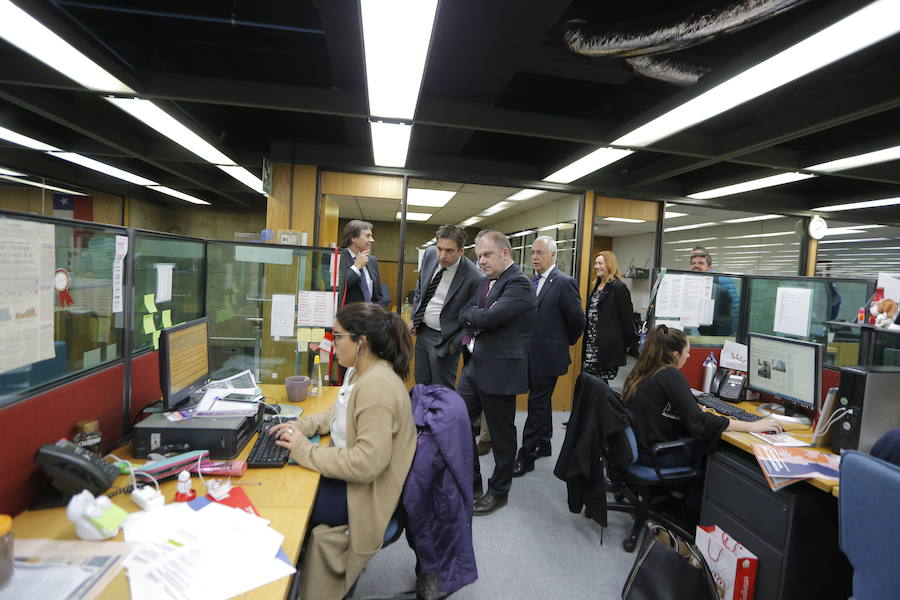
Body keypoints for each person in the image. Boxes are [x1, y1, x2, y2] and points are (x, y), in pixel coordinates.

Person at [269, 303, 415, 600]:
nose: (332, 343)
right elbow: (338, 413)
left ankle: (278, 586)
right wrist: (303, 425)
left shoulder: (377, 388)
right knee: (287, 487)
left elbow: (367, 463)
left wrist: (304, 451)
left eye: (337, 336)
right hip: (352, 482)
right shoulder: (357, 372)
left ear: (361, 342)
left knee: (286, 504)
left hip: (365, 494)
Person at [622, 324, 782, 466]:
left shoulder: (644, 371)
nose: (689, 356)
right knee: (714, 452)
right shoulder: (670, 375)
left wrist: (694, 408)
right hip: (657, 455)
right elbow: (698, 421)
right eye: (687, 352)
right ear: (675, 354)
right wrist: (752, 426)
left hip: (641, 450)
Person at [457, 230, 536, 515]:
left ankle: (499, 492)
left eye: (487, 255)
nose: (481, 261)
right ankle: (472, 483)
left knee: (502, 437)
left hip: (501, 371)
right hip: (474, 366)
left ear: (505, 253)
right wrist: (478, 317)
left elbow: (489, 317)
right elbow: (465, 311)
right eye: (479, 256)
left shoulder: (519, 283)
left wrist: (478, 317)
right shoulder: (486, 281)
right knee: (457, 423)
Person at [513, 236, 584, 478]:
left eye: (540, 253)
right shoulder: (531, 281)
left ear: (553, 255)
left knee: (536, 404)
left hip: (549, 356)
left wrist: (562, 342)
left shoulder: (564, 282)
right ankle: (544, 443)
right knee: (540, 402)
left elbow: (577, 321)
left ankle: (526, 456)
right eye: (533, 252)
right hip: (530, 354)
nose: (535, 257)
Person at [410, 224, 484, 389]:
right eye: (440, 249)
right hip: (423, 332)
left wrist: (456, 345)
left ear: (461, 251)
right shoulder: (430, 254)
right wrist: (415, 317)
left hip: (446, 340)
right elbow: (421, 288)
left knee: (442, 389)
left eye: (449, 251)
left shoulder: (474, 277)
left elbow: (475, 321)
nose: (442, 256)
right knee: (421, 383)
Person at [583, 250, 637, 381]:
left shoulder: (618, 287)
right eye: (596, 263)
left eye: (600, 263)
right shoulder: (596, 286)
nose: (597, 266)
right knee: (591, 382)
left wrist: (626, 344)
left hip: (607, 347)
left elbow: (627, 319)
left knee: (600, 383)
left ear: (609, 265)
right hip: (591, 345)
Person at [690, 246, 737, 336]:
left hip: (716, 330)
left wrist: (729, 333)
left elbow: (734, 310)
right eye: (693, 262)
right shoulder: (692, 282)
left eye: (700, 263)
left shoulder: (722, 280)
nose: (696, 265)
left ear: (709, 267)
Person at [338, 219, 383, 306]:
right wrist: (356, 267)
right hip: (348, 313)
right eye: (368, 236)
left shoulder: (372, 261)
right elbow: (339, 287)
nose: (372, 240)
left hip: (371, 313)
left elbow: (378, 295)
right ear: (353, 238)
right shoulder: (337, 258)